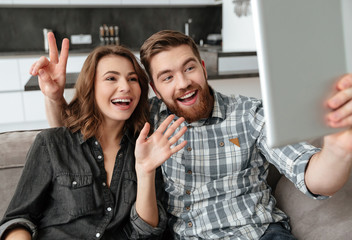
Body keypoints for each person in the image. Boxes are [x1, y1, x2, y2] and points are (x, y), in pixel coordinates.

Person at [30, 30, 352, 239]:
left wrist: (338, 149)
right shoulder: (150, 117)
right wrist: (55, 97)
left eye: (189, 68)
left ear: (203, 66)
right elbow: (76, 138)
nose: (182, 83)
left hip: (259, 232)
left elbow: (313, 178)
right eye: (167, 77)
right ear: (154, 88)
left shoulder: (250, 113)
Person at [0, 35, 188, 240]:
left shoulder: (147, 148)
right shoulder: (50, 143)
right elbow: (17, 220)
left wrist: (145, 171)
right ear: (91, 86)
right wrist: (55, 98)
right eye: (111, 78)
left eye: (133, 79)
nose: (125, 87)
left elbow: (147, 233)